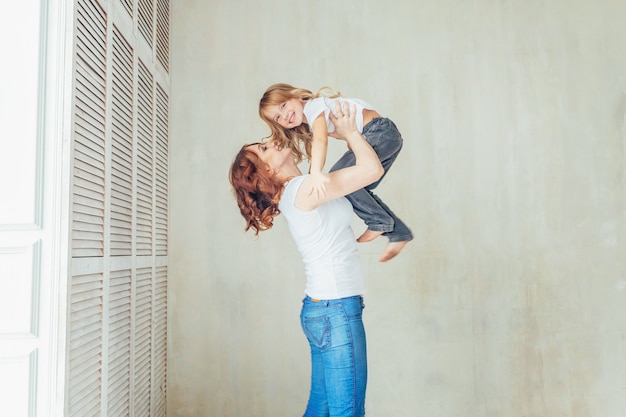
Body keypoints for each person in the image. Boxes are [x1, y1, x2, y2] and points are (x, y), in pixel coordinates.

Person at [230, 102, 382, 417]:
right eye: (263, 148)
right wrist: (352, 133)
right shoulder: (302, 190)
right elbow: (372, 170)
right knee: (346, 412)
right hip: (336, 309)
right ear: (266, 171)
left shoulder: (299, 190)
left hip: (322, 309)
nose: (270, 139)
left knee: (321, 409)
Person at [259, 83, 413, 262]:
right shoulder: (311, 116)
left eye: (283, 105)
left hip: (379, 132)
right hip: (383, 135)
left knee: (339, 176)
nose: (285, 115)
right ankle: (398, 233)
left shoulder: (314, 107)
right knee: (354, 188)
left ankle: (379, 222)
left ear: (296, 96)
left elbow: (320, 140)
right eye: (278, 117)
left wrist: (316, 173)